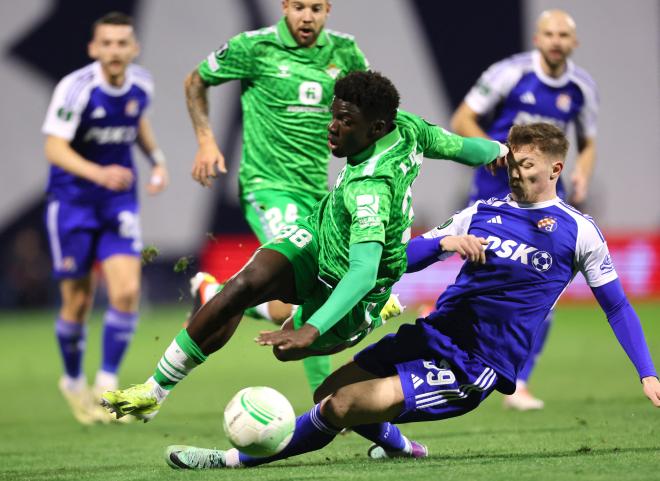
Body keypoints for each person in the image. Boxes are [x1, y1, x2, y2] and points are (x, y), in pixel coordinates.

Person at [161, 122, 660, 470]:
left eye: (526, 164)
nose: (514, 170)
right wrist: (443, 241)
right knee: (325, 393)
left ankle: (234, 459)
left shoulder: (579, 233)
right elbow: (402, 256)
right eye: (510, 160)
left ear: (554, 170)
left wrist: (647, 372)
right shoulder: (481, 212)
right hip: (431, 335)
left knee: (341, 406)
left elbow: (615, 305)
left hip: (476, 363)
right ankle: (400, 448)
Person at [101, 71, 507, 423]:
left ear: (376, 128)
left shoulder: (371, 189)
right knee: (243, 284)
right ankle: (153, 393)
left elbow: (362, 271)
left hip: (355, 281)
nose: (333, 126)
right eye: (334, 114)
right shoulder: (408, 127)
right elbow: (462, 147)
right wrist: (499, 150)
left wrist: (312, 328)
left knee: (289, 352)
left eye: (345, 121)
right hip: (318, 235)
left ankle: (377, 320)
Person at [183, 0, 371, 392]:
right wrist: (205, 141)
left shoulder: (345, 51)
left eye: (316, 8)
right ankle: (329, 400)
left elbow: (372, 111)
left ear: (328, 9)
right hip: (265, 186)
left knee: (319, 291)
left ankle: (221, 293)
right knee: (308, 293)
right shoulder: (254, 47)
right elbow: (195, 81)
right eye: (299, 6)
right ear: (284, 6)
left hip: (317, 193)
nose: (307, 16)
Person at [450, 9, 598, 409]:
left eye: (563, 35)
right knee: (482, 279)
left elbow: (587, 142)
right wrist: (493, 150)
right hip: (493, 191)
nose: (555, 41)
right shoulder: (509, 73)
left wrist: (582, 174)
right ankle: (446, 343)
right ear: (537, 38)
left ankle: (520, 381)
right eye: (548, 33)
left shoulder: (581, 87)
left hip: (545, 202)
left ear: (573, 43)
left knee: (545, 291)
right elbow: (463, 119)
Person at [42, 12, 169, 424]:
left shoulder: (142, 84)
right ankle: (73, 381)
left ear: (134, 48)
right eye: (107, 44)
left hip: (118, 204)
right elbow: (55, 149)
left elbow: (138, 123)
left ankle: (104, 384)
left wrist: (157, 160)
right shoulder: (76, 88)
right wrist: (100, 173)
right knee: (77, 302)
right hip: (74, 204)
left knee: (127, 291)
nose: (115, 51)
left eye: (122, 43)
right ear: (94, 49)